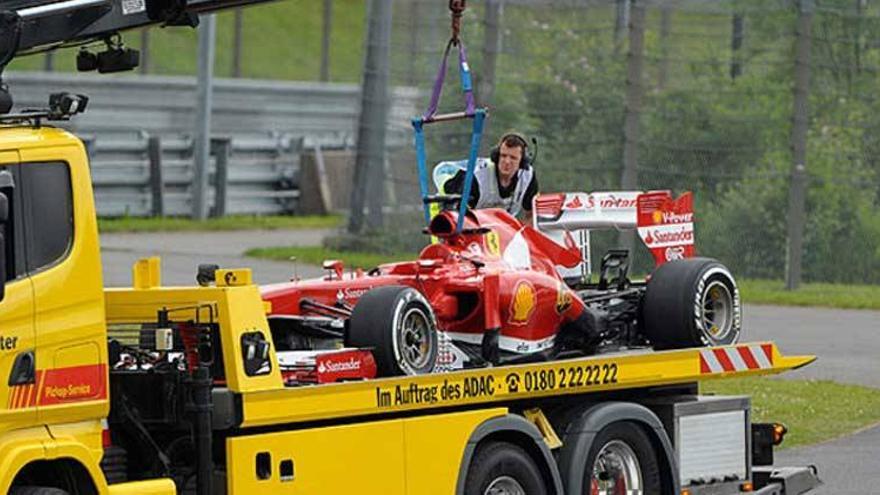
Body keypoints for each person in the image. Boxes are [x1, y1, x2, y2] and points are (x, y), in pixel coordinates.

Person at [443, 132, 539, 218]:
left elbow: (532, 213)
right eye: (503, 155)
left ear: (522, 162)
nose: (507, 161)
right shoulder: (478, 177)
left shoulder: (527, 176)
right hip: (447, 203)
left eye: (513, 158)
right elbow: (459, 215)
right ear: (496, 156)